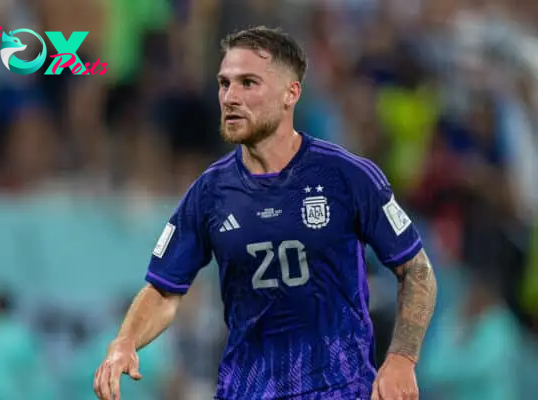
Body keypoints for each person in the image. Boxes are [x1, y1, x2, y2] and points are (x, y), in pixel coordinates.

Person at [93, 26, 437, 400]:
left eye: (248, 83)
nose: (230, 97)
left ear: (291, 93)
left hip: (338, 389)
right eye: (224, 84)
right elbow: (163, 290)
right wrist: (125, 342)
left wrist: (402, 358)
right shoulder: (210, 193)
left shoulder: (347, 176)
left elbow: (416, 270)